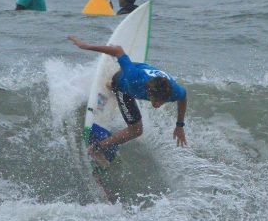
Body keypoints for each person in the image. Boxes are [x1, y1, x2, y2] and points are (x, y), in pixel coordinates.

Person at [68, 35, 187, 166]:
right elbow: (118, 50)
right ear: (148, 93)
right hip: (123, 83)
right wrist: (86, 46)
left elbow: (184, 97)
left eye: (161, 102)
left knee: (137, 126)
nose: (157, 105)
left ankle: (112, 87)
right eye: (155, 101)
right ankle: (96, 149)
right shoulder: (133, 79)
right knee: (136, 130)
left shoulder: (174, 91)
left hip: (141, 69)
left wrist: (179, 125)